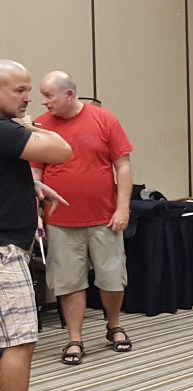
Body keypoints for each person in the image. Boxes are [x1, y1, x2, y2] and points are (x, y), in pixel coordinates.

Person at [30, 71, 134, 366]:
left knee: (112, 278)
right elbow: (35, 173)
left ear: (69, 94)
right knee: (69, 282)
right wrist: (35, 214)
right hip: (60, 221)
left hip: (105, 217)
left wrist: (122, 208)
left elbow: (123, 167)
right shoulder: (40, 126)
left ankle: (114, 325)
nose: (43, 101)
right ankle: (74, 339)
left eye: (48, 95)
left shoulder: (104, 120)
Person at [0, 59, 71, 391]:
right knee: (20, 340)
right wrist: (27, 126)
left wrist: (31, 185)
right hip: (4, 252)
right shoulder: (5, 130)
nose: (28, 98)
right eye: (20, 90)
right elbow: (62, 148)